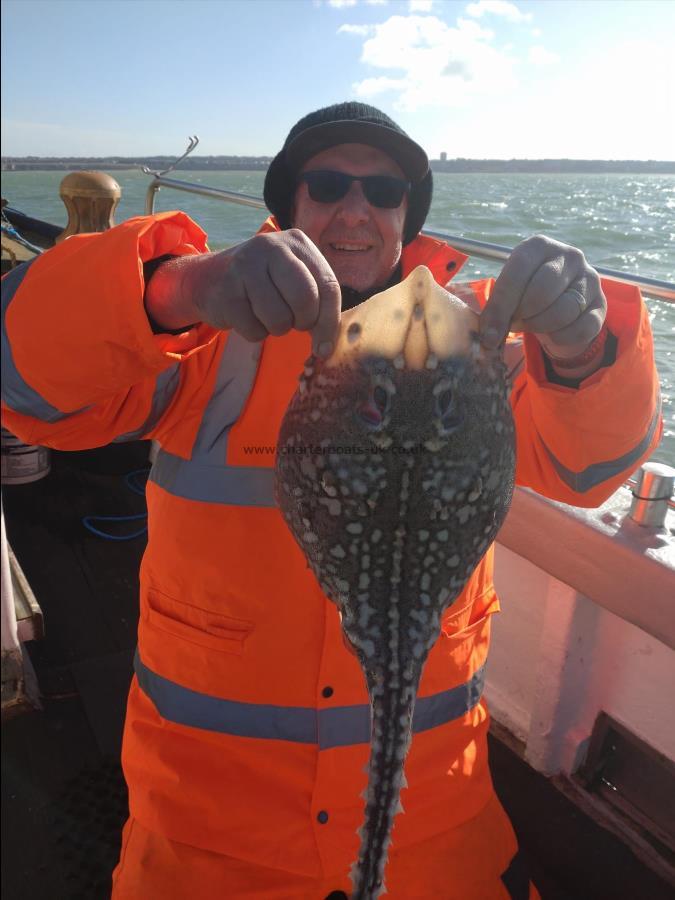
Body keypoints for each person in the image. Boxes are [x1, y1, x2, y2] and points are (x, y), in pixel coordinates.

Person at [1, 102, 661, 899]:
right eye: (327, 184)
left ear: (406, 216)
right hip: (208, 833)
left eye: (383, 191)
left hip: (437, 824)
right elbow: (25, 388)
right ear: (287, 207)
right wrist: (176, 288)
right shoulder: (208, 338)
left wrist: (583, 348)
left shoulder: (472, 342)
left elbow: (590, 466)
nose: (356, 209)